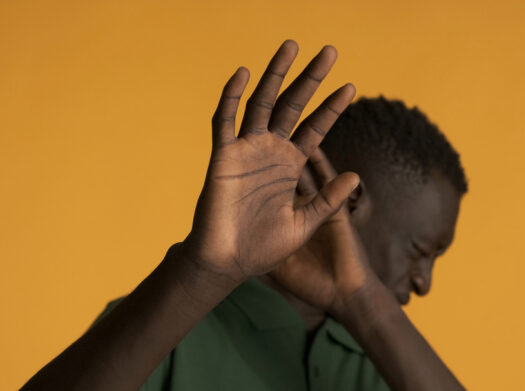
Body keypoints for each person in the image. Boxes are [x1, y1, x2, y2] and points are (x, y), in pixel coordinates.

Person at [21, 40, 468, 391]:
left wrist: (366, 304)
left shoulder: (386, 362)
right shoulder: (159, 328)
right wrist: (202, 271)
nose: (423, 282)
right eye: (420, 251)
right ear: (348, 200)